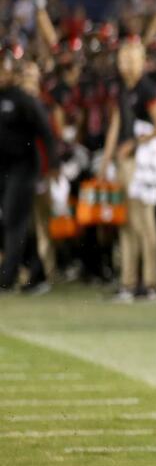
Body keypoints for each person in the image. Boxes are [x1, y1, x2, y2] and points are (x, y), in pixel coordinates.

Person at [99, 40, 156, 302]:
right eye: (122, 59)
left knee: (144, 222)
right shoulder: (123, 88)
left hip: (143, 164)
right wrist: (106, 160)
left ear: (142, 62)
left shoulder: (146, 88)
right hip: (125, 162)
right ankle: (128, 282)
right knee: (126, 222)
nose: (126, 64)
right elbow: (117, 124)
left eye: (131, 59)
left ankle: (151, 283)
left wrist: (134, 143)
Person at [0, 45, 60, 292]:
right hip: (2, 168)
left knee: (14, 218)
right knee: (12, 221)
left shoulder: (23, 99)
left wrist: (54, 165)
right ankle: (37, 272)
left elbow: (46, 133)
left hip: (23, 167)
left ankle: (7, 276)